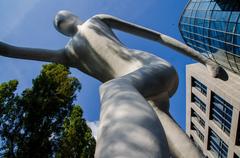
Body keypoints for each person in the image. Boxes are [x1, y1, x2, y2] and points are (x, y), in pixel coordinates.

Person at [0, 10, 215, 157]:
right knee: (175, 143)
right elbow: (10, 50)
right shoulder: (68, 53)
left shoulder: (96, 20)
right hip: (141, 97)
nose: (61, 21)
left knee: (112, 87)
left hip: (150, 69)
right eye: (58, 23)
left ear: (74, 15)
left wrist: (204, 60)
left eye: (62, 17)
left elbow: (156, 36)